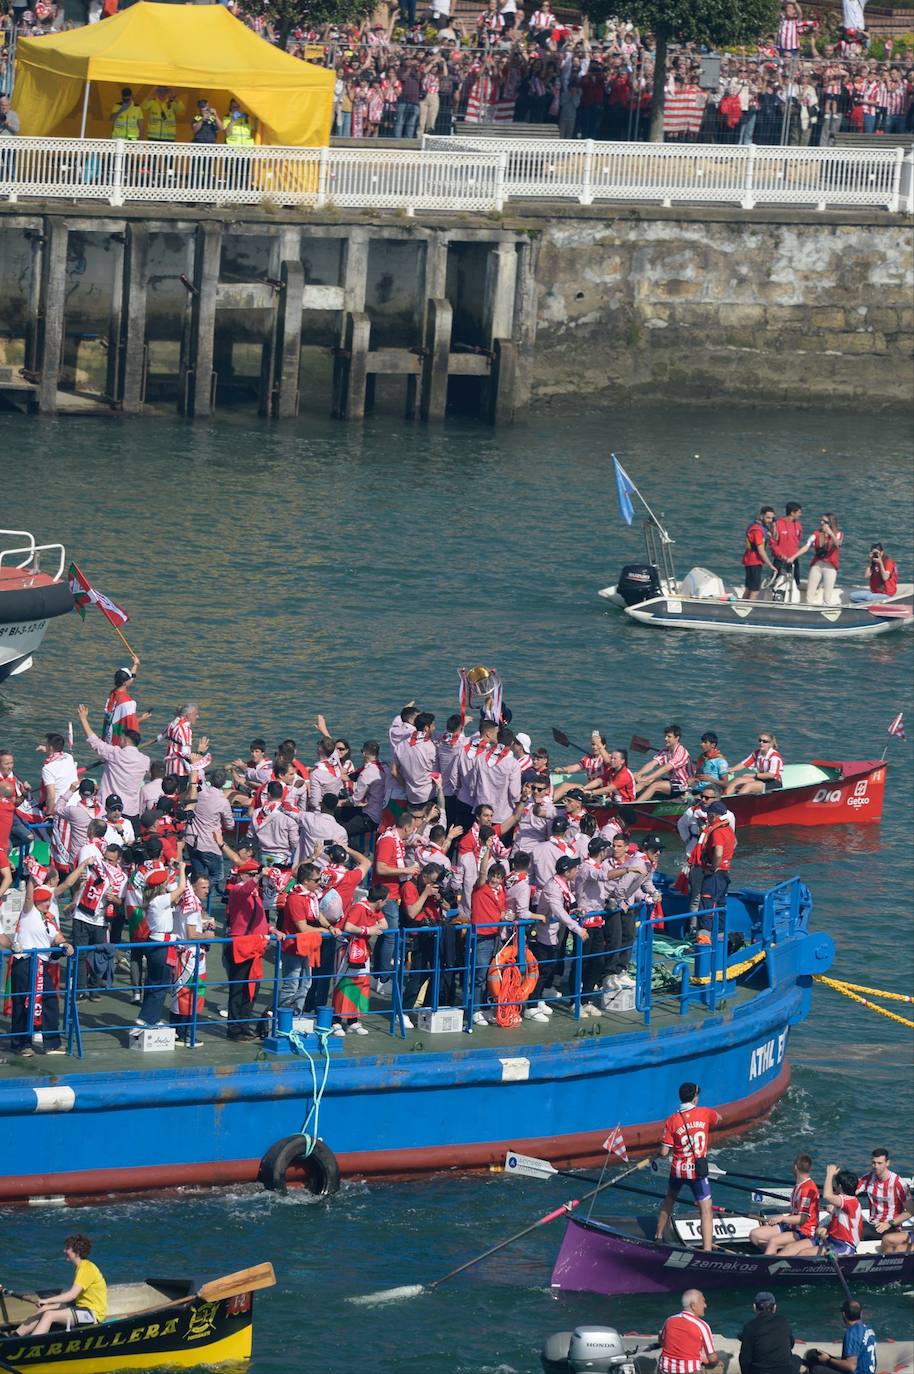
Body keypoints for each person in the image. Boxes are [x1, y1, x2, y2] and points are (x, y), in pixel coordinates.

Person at [655, 1081, 723, 1252]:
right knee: (706, 1211)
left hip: (677, 1170)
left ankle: (658, 1236)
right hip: (697, 1172)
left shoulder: (672, 1120)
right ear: (694, 1098)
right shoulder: (705, 1113)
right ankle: (707, 1251)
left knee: (669, 1199)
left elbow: (664, 1152)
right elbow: (718, 1119)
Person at [9, 883, 72, 1056]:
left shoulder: (49, 918)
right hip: (24, 963)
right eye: (43, 900)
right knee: (22, 1003)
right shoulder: (29, 913)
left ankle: (51, 1043)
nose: (46, 903)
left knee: (50, 999)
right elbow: (28, 898)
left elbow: (58, 936)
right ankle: (21, 1044)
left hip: (40, 966)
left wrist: (64, 944)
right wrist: (30, 879)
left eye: (48, 900)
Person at [12, 1235, 107, 1336]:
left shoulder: (86, 1268)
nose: (64, 1251)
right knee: (45, 1308)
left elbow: (72, 1295)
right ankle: (15, 1337)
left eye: (67, 1248)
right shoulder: (82, 1267)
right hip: (80, 1307)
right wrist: (47, 1304)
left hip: (93, 1314)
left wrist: (46, 1300)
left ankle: (29, 1345)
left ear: (77, 1252)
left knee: (49, 1315)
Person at [780, 1164, 862, 1257]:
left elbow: (827, 1196)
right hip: (829, 1239)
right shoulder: (841, 1202)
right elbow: (837, 1221)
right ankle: (772, 1266)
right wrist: (826, 1228)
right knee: (791, 1248)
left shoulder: (851, 1201)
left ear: (839, 1186)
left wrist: (829, 1175)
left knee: (803, 1254)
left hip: (844, 1245)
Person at [750, 1153, 819, 1254]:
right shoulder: (799, 1185)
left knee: (773, 1241)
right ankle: (775, 1256)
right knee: (755, 1235)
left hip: (804, 1231)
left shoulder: (807, 1189)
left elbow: (802, 1219)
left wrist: (782, 1218)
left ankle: (769, 1262)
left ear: (795, 1167)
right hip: (790, 1226)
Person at [470, 844, 507, 1025]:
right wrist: (487, 851)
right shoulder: (480, 888)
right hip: (482, 937)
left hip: (495, 938)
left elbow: (500, 912)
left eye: (498, 877)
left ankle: (485, 1007)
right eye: (493, 876)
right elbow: (482, 872)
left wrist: (507, 915)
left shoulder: (501, 892)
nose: (494, 879)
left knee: (492, 975)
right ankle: (475, 1010)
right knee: (479, 975)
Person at [658, 1289, 722, 1374]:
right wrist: (716, 1362)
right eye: (703, 1302)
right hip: (689, 1371)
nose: (705, 1306)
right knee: (719, 1366)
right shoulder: (702, 1326)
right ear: (693, 1306)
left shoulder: (669, 1320)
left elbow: (662, 1342)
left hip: (664, 1370)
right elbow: (712, 1357)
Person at [803, 1301, 876, 1374]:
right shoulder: (868, 1329)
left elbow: (851, 1367)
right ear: (861, 1313)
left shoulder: (852, 1332)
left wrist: (828, 1360)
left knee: (816, 1370)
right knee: (813, 1354)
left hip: (857, 1371)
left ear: (843, 1314)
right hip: (867, 1370)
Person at [856, 1147, 908, 1239]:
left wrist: (889, 1224)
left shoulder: (898, 1183)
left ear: (887, 1163)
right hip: (873, 1224)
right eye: (873, 1163)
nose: (876, 1166)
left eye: (879, 1163)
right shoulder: (867, 1178)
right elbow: (850, 1192)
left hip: (892, 1226)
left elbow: (911, 1211)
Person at [739, 1293, 797, 1374]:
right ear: (774, 1307)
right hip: (783, 1370)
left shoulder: (750, 1327)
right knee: (796, 1359)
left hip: (759, 1371)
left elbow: (745, 1359)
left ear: (754, 1307)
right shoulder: (784, 1322)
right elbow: (791, 1344)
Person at [633, 724, 693, 803]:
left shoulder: (681, 752)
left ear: (677, 738)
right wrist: (639, 774)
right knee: (649, 780)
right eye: (665, 736)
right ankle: (630, 797)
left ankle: (634, 804)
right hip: (672, 781)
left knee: (655, 785)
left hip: (683, 785)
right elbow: (652, 764)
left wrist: (646, 779)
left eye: (669, 737)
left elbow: (665, 769)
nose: (665, 739)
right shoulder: (665, 751)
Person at [801, 514, 843, 606]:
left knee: (827, 596)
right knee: (810, 593)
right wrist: (793, 557)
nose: (821, 523)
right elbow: (807, 545)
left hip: (830, 567)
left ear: (830, 523)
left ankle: (826, 609)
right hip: (817, 565)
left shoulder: (838, 533)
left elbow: (838, 544)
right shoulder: (816, 533)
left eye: (824, 522)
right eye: (821, 521)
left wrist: (830, 533)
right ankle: (809, 608)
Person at [743, 506, 778, 600]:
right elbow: (761, 550)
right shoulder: (757, 530)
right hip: (753, 561)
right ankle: (749, 609)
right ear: (762, 516)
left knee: (749, 588)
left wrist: (774, 525)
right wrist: (770, 565)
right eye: (768, 518)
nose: (770, 520)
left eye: (772, 518)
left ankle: (742, 604)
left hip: (751, 560)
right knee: (754, 590)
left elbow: (774, 538)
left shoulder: (764, 527)